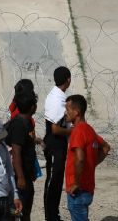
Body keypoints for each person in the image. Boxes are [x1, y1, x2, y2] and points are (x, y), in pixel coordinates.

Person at [64, 94, 110, 221]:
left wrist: (76, 183)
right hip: (88, 189)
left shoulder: (78, 131)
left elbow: (80, 158)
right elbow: (106, 148)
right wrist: (92, 163)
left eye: (67, 109)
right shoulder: (89, 130)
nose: (65, 113)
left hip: (78, 190)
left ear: (76, 112)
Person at [43, 66, 72, 221]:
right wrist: (73, 132)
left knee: (57, 179)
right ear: (68, 79)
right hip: (55, 144)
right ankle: (51, 215)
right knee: (53, 180)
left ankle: (53, 213)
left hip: (58, 145)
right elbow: (55, 129)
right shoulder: (57, 99)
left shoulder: (58, 95)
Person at [5, 91, 38, 221]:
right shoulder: (19, 125)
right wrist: (21, 177)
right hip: (20, 177)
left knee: (24, 209)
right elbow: (16, 152)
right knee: (18, 211)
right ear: (32, 107)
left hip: (25, 174)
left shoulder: (24, 122)